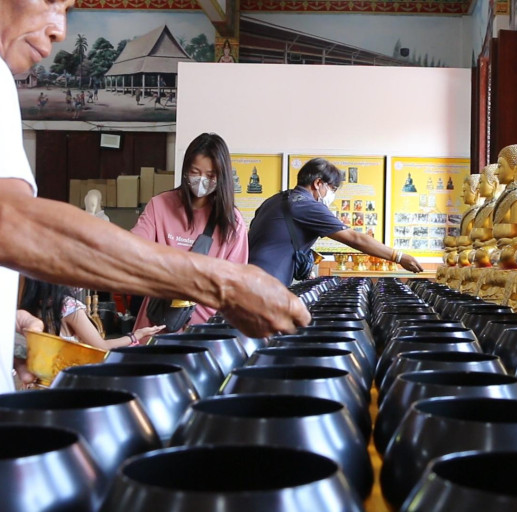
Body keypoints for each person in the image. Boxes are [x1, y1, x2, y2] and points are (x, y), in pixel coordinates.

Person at [0, 0, 309, 394]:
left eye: (67, 8)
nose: (59, 29)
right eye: (50, 1)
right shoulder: (163, 205)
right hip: (158, 334)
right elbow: (13, 223)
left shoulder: (231, 222)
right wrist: (222, 283)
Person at [131, 132, 249, 340]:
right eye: (195, 172)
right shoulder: (159, 206)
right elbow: (132, 250)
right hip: (155, 326)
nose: (202, 180)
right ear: (186, 170)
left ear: (222, 177)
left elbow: (235, 285)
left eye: (211, 175)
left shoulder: (232, 222)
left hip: (204, 332)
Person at [248, 158, 423, 286]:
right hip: (267, 284)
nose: (332, 195)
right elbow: (355, 238)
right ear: (318, 183)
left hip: (249, 277)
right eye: (332, 189)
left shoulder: (275, 200)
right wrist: (398, 257)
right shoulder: (306, 205)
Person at [18, 278, 164, 350]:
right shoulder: (68, 306)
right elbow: (102, 346)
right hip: (67, 378)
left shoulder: (29, 308)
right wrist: (137, 335)